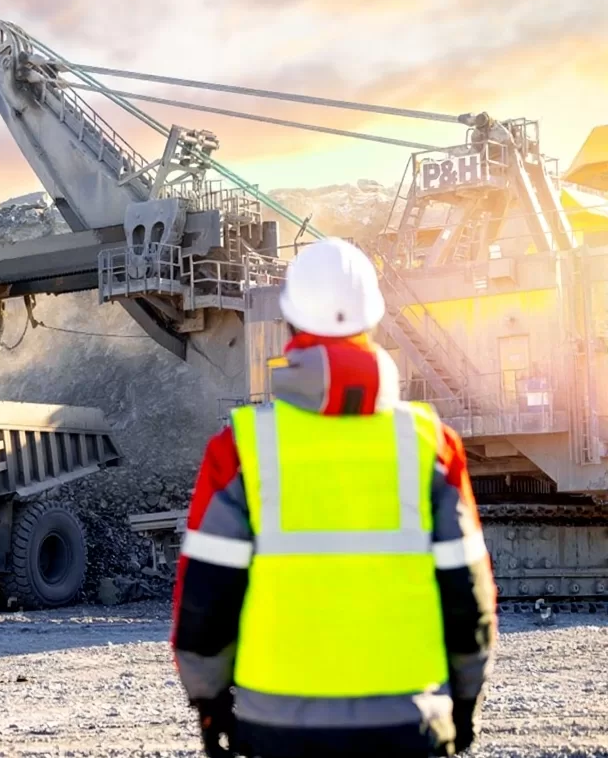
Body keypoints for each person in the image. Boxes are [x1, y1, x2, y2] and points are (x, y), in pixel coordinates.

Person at [170, 237, 497, 758]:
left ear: (289, 324)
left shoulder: (241, 448)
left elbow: (206, 596)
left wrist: (209, 704)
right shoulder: (431, 444)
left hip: (274, 728)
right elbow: (468, 595)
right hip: (408, 723)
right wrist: (463, 704)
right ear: (374, 320)